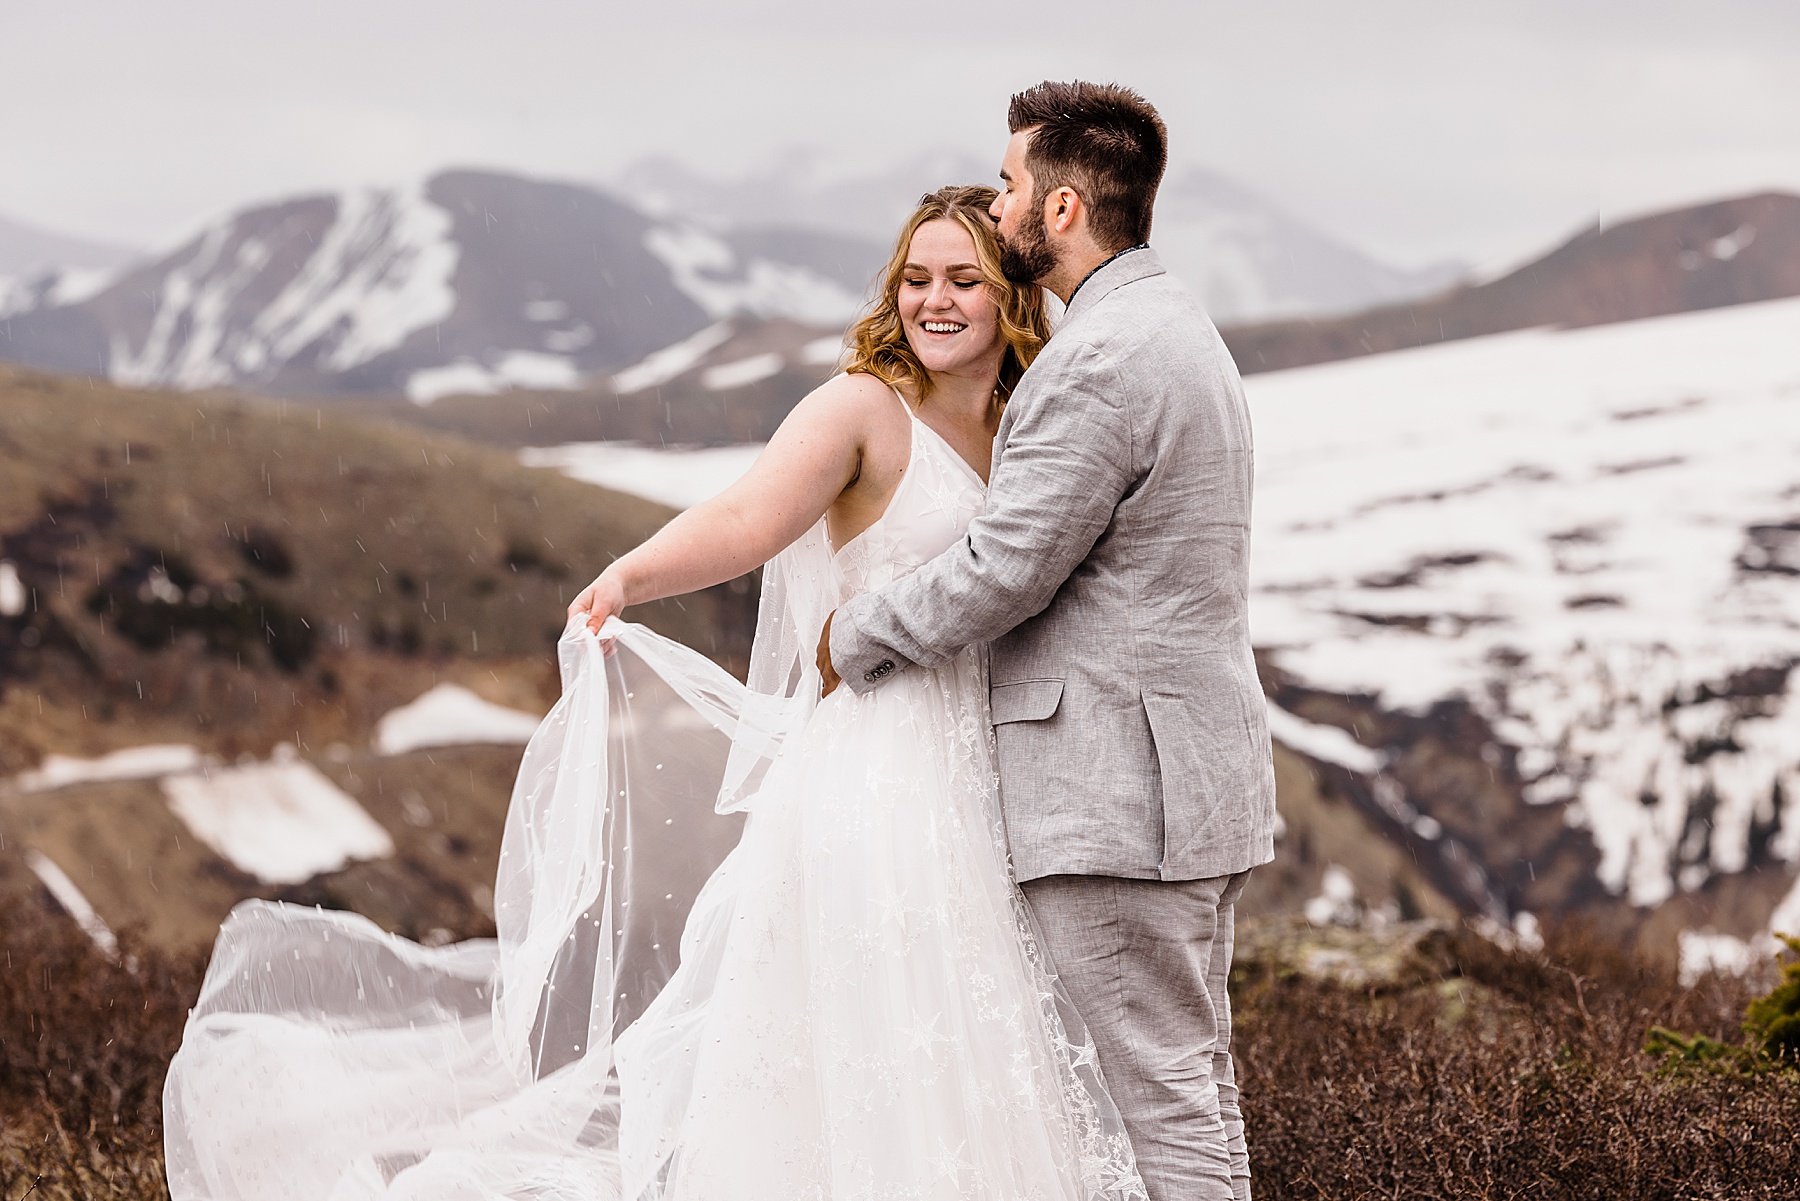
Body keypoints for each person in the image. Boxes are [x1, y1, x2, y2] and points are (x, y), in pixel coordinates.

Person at [163, 185, 1147, 1201]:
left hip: (991, 773)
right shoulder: (861, 408)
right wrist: (630, 575)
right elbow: (747, 515)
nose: (935, 301)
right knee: (880, 1026)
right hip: (880, 776)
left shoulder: (1031, 415)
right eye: (916, 278)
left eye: (964, 280)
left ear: (1011, 295)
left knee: (976, 1034)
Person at [820, 82, 1277, 1201]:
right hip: (1190, 781)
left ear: (1064, 209)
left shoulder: (1100, 360)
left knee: (1159, 1105)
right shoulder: (1175, 326)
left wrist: (855, 636)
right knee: (1194, 1088)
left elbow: (1006, 570)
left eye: (1015, 183)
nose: (1000, 198)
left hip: (1116, 797)